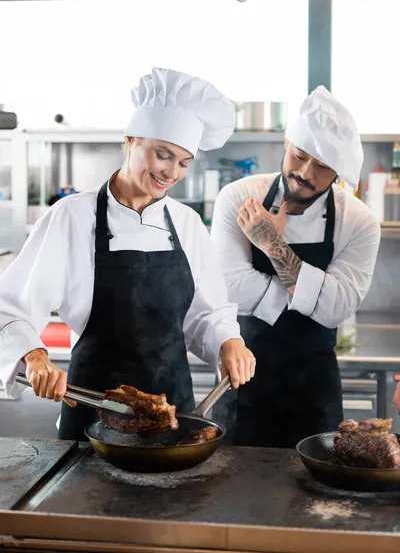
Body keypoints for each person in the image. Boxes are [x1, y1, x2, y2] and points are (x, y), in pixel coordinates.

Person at [0, 67, 255, 440]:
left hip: (174, 413)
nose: (171, 172)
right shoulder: (72, 215)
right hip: (93, 414)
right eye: (163, 155)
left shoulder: (185, 223)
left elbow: (207, 313)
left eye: (184, 162)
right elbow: (12, 307)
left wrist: (228, 341)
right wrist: (35, 357)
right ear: (131, 140)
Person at [210, 85, 381, 448]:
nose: (305, 172)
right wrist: (310, 297)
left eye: (322, 166)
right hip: (241, 384)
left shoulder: (358, 220)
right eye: (300, 156)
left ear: (338, 173)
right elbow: (228, 287)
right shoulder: (238, 197)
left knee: (316, 498)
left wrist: (272, 245)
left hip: (314, 392)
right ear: (286, 143)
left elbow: (338, 308)